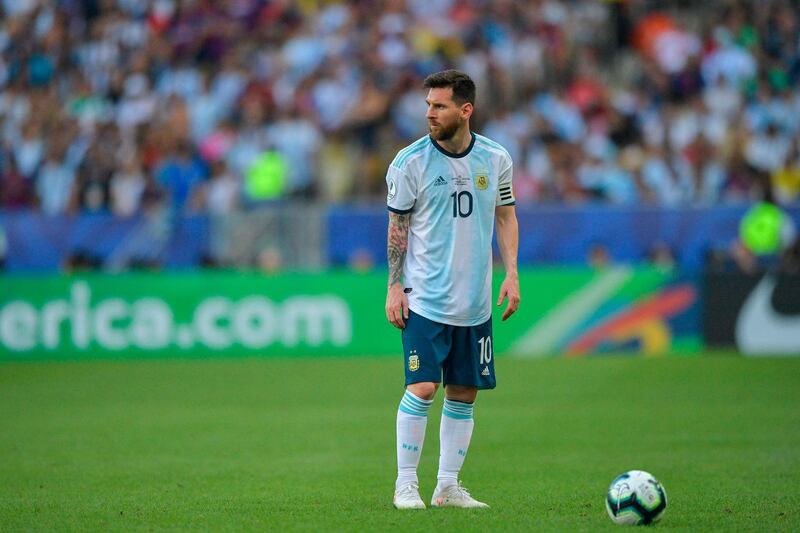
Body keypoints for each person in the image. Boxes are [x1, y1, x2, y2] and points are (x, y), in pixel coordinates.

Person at [384, 70, 520, 510]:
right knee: (423, 386)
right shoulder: (410, 163)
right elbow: (397, 226)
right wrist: (393, 287)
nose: (429, 113)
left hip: (474, 302)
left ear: (465, 110)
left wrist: (512, 274)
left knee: (463, 392)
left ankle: (447, 487)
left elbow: (505, 215)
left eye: (439, 106)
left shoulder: (496, 158)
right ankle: (406, 485)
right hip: (424, 298)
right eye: (427, 105)